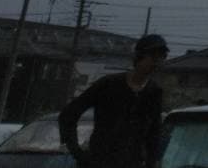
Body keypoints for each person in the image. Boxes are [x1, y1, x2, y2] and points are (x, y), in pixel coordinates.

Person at [59, 33, 168, 167]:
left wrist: (151, 162)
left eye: (161, 57)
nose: (156, 63)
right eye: (153, 57)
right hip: (100, 161)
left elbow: (154, 133)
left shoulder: (154, 92)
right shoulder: (109, 84)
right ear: (140, 56)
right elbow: (68, 114)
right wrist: (77, 152)